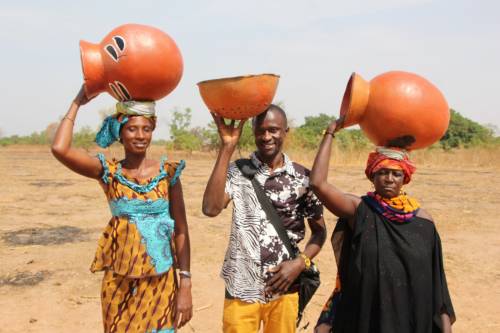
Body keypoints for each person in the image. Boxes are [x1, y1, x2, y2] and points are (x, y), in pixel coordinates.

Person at [51, 86, 192, 333]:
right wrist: (77, 102)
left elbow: (181, 230)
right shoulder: (109, 172)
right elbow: (60, 149)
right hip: (119, 286)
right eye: (132, 128)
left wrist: (186, 283)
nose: (140, 135)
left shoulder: (167, 174)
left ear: (153, 131)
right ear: (120, 132)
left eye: (146, 129)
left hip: (161, 283)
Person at [310, 120, 455, 333]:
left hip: (411, 318)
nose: (389, 179)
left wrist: (445, 328)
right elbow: (318, 184)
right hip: (367, 317)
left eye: (396, 174)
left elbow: (436, 284)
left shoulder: (424, 222)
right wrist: (330, 132)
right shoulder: (360, 210)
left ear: (404, 179)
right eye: (382, 172)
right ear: (372, 176)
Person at [202, 104, 326, 333]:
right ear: (253, 132)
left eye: (274, 130)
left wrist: (300, 263)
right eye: (260, 131)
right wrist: (227, 147)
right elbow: (210, 208)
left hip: (284, 286)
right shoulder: (237, 171)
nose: (266, 137)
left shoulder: (303, 178)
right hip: (241, 285)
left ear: (285, 131)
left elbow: (319, 232)